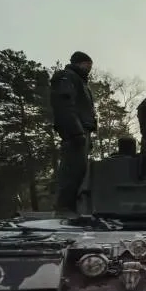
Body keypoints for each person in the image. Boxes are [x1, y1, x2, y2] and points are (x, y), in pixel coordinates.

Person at [49, 51, 98, 214]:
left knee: (80, 171)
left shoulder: (81, 82)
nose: (89, 68)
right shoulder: (67, 77)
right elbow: (64, 105)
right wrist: (75, 131)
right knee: (71, 169)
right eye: (87, 64)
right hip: (74, 130)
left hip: (83, 130)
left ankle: (73, 207)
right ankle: (64, 207)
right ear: (79, 63)